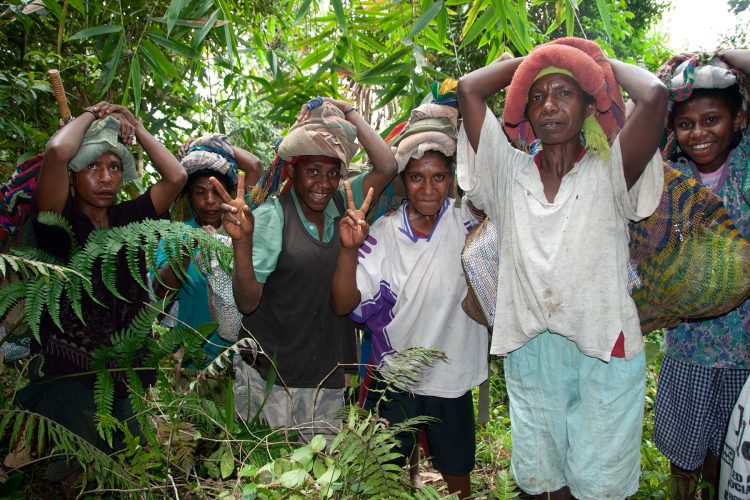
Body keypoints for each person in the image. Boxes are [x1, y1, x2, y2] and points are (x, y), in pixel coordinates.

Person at [456, 37, 667, 499]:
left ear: (591, 104)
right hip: (533, 349)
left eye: (566, 92)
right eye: (538, 95)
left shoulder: (609, 170)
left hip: (603, 347)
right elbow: (469, 89)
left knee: (601, 485)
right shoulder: (507, 174)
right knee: (541, 482)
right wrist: (540, 58)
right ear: (526, 111)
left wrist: (593, 62)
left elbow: (654, 96)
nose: (549, 105)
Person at [15, 102, 186, 480]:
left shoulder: (130, 219)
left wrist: (135, 126)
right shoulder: (58, 223)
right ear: (73, 177)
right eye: (92, 166)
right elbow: (57, 152)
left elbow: (176, 177)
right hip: (69, 379)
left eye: (113, 167)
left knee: (126, 472)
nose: (106, 177)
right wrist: (94, 113)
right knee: (72, 476)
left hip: (123, 378)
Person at [212, 97, 397, 439]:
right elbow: (248, 302)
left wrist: (348, 109)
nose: (323, 184)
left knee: (321, 482)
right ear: (291, 170)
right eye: (312, 171)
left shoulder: (344, 205)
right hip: (269, 377)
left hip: (324, 375)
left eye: (331, 173)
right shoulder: (272, 217)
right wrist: (241, 242)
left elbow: (387, 166)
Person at [329, 101, 487, 498]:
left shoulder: (467, 222)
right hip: (394, 378)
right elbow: (343, 305)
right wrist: (348, 250)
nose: (428, 188)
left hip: (452, 381)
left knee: (457, 478)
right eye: (416, 177)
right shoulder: (383, 233)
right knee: (382, 480)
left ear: (451, 179)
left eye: (438, 177)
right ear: (404, 181)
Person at [653, 49, 750, 498]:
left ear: (738, 120)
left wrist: (723, 56)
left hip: (743, 347)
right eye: (686, 124)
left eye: (712, 120)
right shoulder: (669, 179)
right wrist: (662, 80)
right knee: (683, 456)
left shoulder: (746, 170)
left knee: (732, 455)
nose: (699, 133)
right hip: (687, 345)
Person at [153, 134, 262, 365]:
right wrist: (189, 245)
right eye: (200, 192)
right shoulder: (176, 235)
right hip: (190, 362)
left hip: (239, 362)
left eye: (217, 190)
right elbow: (159, 294)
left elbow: (254, 166)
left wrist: (208, 146)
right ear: (190, 197)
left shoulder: (241, 226)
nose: (210, 201)